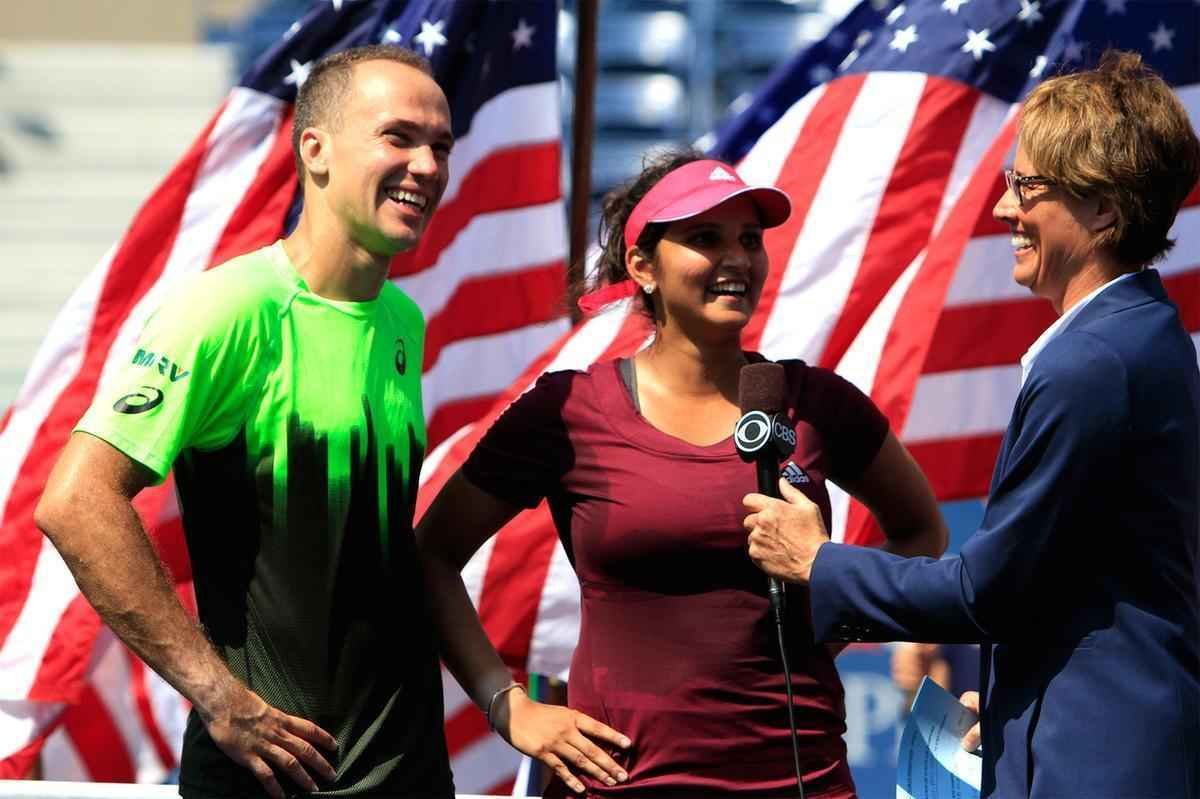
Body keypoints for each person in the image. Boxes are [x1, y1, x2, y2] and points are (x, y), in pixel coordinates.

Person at [416, 150, 948, 797]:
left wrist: (825, 621)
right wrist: (508, 705)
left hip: (805, 779)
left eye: (750, 239)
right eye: (704, 237)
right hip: (619, 783)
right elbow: (430, 555)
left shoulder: (818, 403)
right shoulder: (568, 409)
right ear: (641, 265)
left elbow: (923, 532)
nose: (737, 258)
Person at [743, 51, 1200, 798]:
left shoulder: (1092, 361)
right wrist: (1022, 709)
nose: (1004, 208)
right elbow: (1084, 585)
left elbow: (987, 592)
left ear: (1105, 212)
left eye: (1026, 187)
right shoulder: (1147, 333)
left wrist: (817, 560)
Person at [35, 45, 456, 799]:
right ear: (315, 150)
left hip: (407, 768)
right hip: (272, 776)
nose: (427, 164)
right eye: (399, 137)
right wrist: (221, 696)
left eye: (440, 145)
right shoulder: (227, 309)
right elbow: (75, 501)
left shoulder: (402, 320)